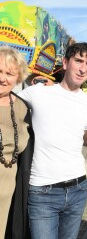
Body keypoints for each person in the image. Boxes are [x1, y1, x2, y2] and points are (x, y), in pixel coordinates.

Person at [18, 42, 87, 239]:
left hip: (78, 189)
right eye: (78, 61)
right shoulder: (38, 92)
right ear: (65, 63)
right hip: (42, 192)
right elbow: (7, 104)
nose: (82, 68)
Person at [0, 46, 34, 239]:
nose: (3, 78)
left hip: (8, 190)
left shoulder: (22, 108)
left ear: (18, 78)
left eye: (9, 73)